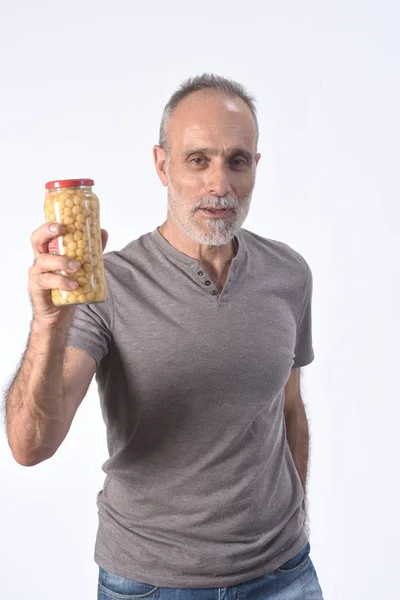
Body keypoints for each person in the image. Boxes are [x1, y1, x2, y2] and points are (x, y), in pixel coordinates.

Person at [4, 73, 324, 599]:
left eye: (236, 161)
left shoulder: (289, 273)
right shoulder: (106, 285)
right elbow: (29, 446)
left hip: (285, 574)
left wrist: (299, 523)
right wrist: (48, 325)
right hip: (154, 584)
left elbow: (288, 409)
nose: (219, 185)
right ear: (162, 165)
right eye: (198, 160)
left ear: (256, 168)